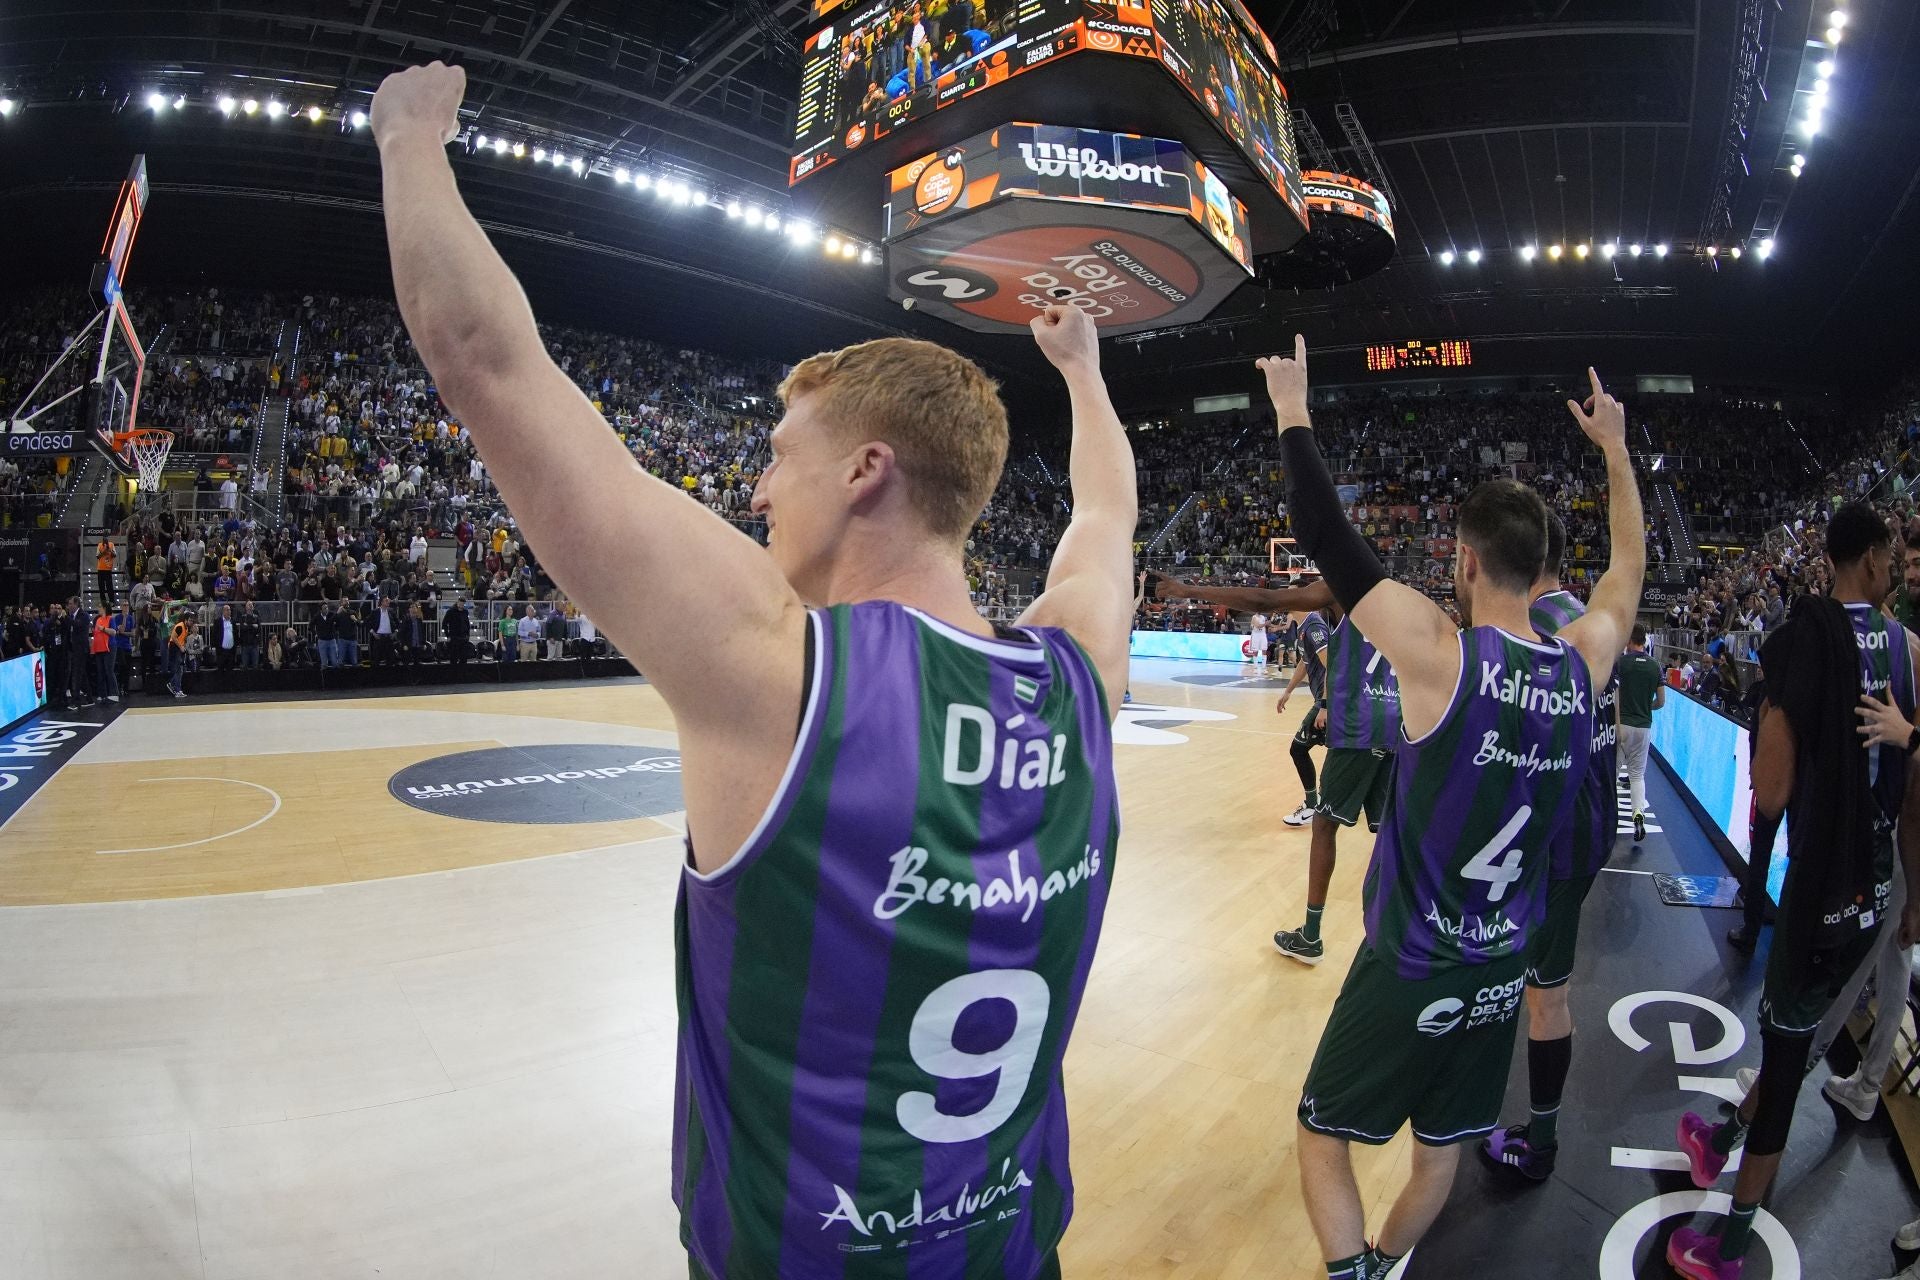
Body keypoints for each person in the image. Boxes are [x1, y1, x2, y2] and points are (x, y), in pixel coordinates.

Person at [374, 60, 1136, 1280]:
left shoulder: (778, 673)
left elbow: (483, 359)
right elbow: (1105, 518)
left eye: (782, 454)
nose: (758, 487)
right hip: (1012, 1247)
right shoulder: (1082, 672)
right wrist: (1085, 376)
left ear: (866, 470)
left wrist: (409, 135)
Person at [1270, 344, 1642, 1280]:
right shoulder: (1583, 662)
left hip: (1408, 962)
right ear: (1547, 565)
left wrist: (1292, 408)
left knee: (1322, 1134)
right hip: (1500, 966)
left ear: (1465, 561)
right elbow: (1627, 574)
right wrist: (1617, 454)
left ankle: (1354, 1271)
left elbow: (1326, 534)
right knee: (1439, 1151)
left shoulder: (1442, 656)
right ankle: (1392, 1262)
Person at [1669, 503, 1920, 1280]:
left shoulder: (1800, 647)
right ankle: (1718, 1137)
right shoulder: (1910, 648)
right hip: (1879, 882)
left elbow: (1770, 793)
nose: (1902, 566)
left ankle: (1733, 1241)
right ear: (1875, 561)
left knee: (1785, 1050)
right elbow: (1910, 790)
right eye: (1897, 555)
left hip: (1820, 883)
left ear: (1831, 560)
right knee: (1804, 1030)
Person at [1479, 516, 1623, 1183]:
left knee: (1542, 996)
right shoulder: (1595, 621)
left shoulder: (1544, 639)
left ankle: (1539, 1143)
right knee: (1536, 986)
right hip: (1592, 825)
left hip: (1557, 843)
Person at [1276, 605, 1332, 828]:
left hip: (1330, 702)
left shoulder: (1314, 626)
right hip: (1327, 701)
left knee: (1298, 749)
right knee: (1340, 750)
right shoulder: (1303, 627)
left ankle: (1312, 806)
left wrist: (1325, 705)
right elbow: (1305, 661)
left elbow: (1332, 665)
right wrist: (1288, 690)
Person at [1616, 624, 1665, 844]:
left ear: (1629, 641)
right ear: (1644, 641)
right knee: (1637, 775)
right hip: (1643, 726)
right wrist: (1646, 707)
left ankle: (1610, 817)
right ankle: (1638, 813)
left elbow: (1613, 694)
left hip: (1621, 724)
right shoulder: (1655, 666)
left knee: (1613, 772)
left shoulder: (1621, 663)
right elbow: (1661, 701)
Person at [89, 606, 119, 703]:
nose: (98, 609)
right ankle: (102, 694)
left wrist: (103, 629)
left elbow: (114, 632)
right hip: (99, 648)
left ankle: (114, 693)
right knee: (100, 671)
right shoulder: (97, 619)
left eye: (100, 607)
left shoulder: (111, 619)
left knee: (109, 670)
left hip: (109, 647)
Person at [442, 594, 471, 665]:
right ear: (457, 602)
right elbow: (444, 623)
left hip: (464, 637)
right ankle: (454, 674)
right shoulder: (451, 611)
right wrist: (447, 635)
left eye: (463, 603)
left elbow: (467, 623)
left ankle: (463, 674)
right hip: (454, 637)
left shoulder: (465, 611)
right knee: (454, 658)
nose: (462, 605)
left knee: (464, 659)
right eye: (460, 603)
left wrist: (468, 635)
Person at [95, 535, 117, 605]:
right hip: (101, 568)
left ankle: (112, 601)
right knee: (101, 586)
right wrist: (104, 551)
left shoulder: (111, 544)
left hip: (108, 569)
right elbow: (97, 556)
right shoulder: (99, 545)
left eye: (106, 540)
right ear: (102, 540)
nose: (105, 541)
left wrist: (109, 549)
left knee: (109, 586)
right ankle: (103, 601)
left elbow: (114, 555)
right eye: (104, 540)